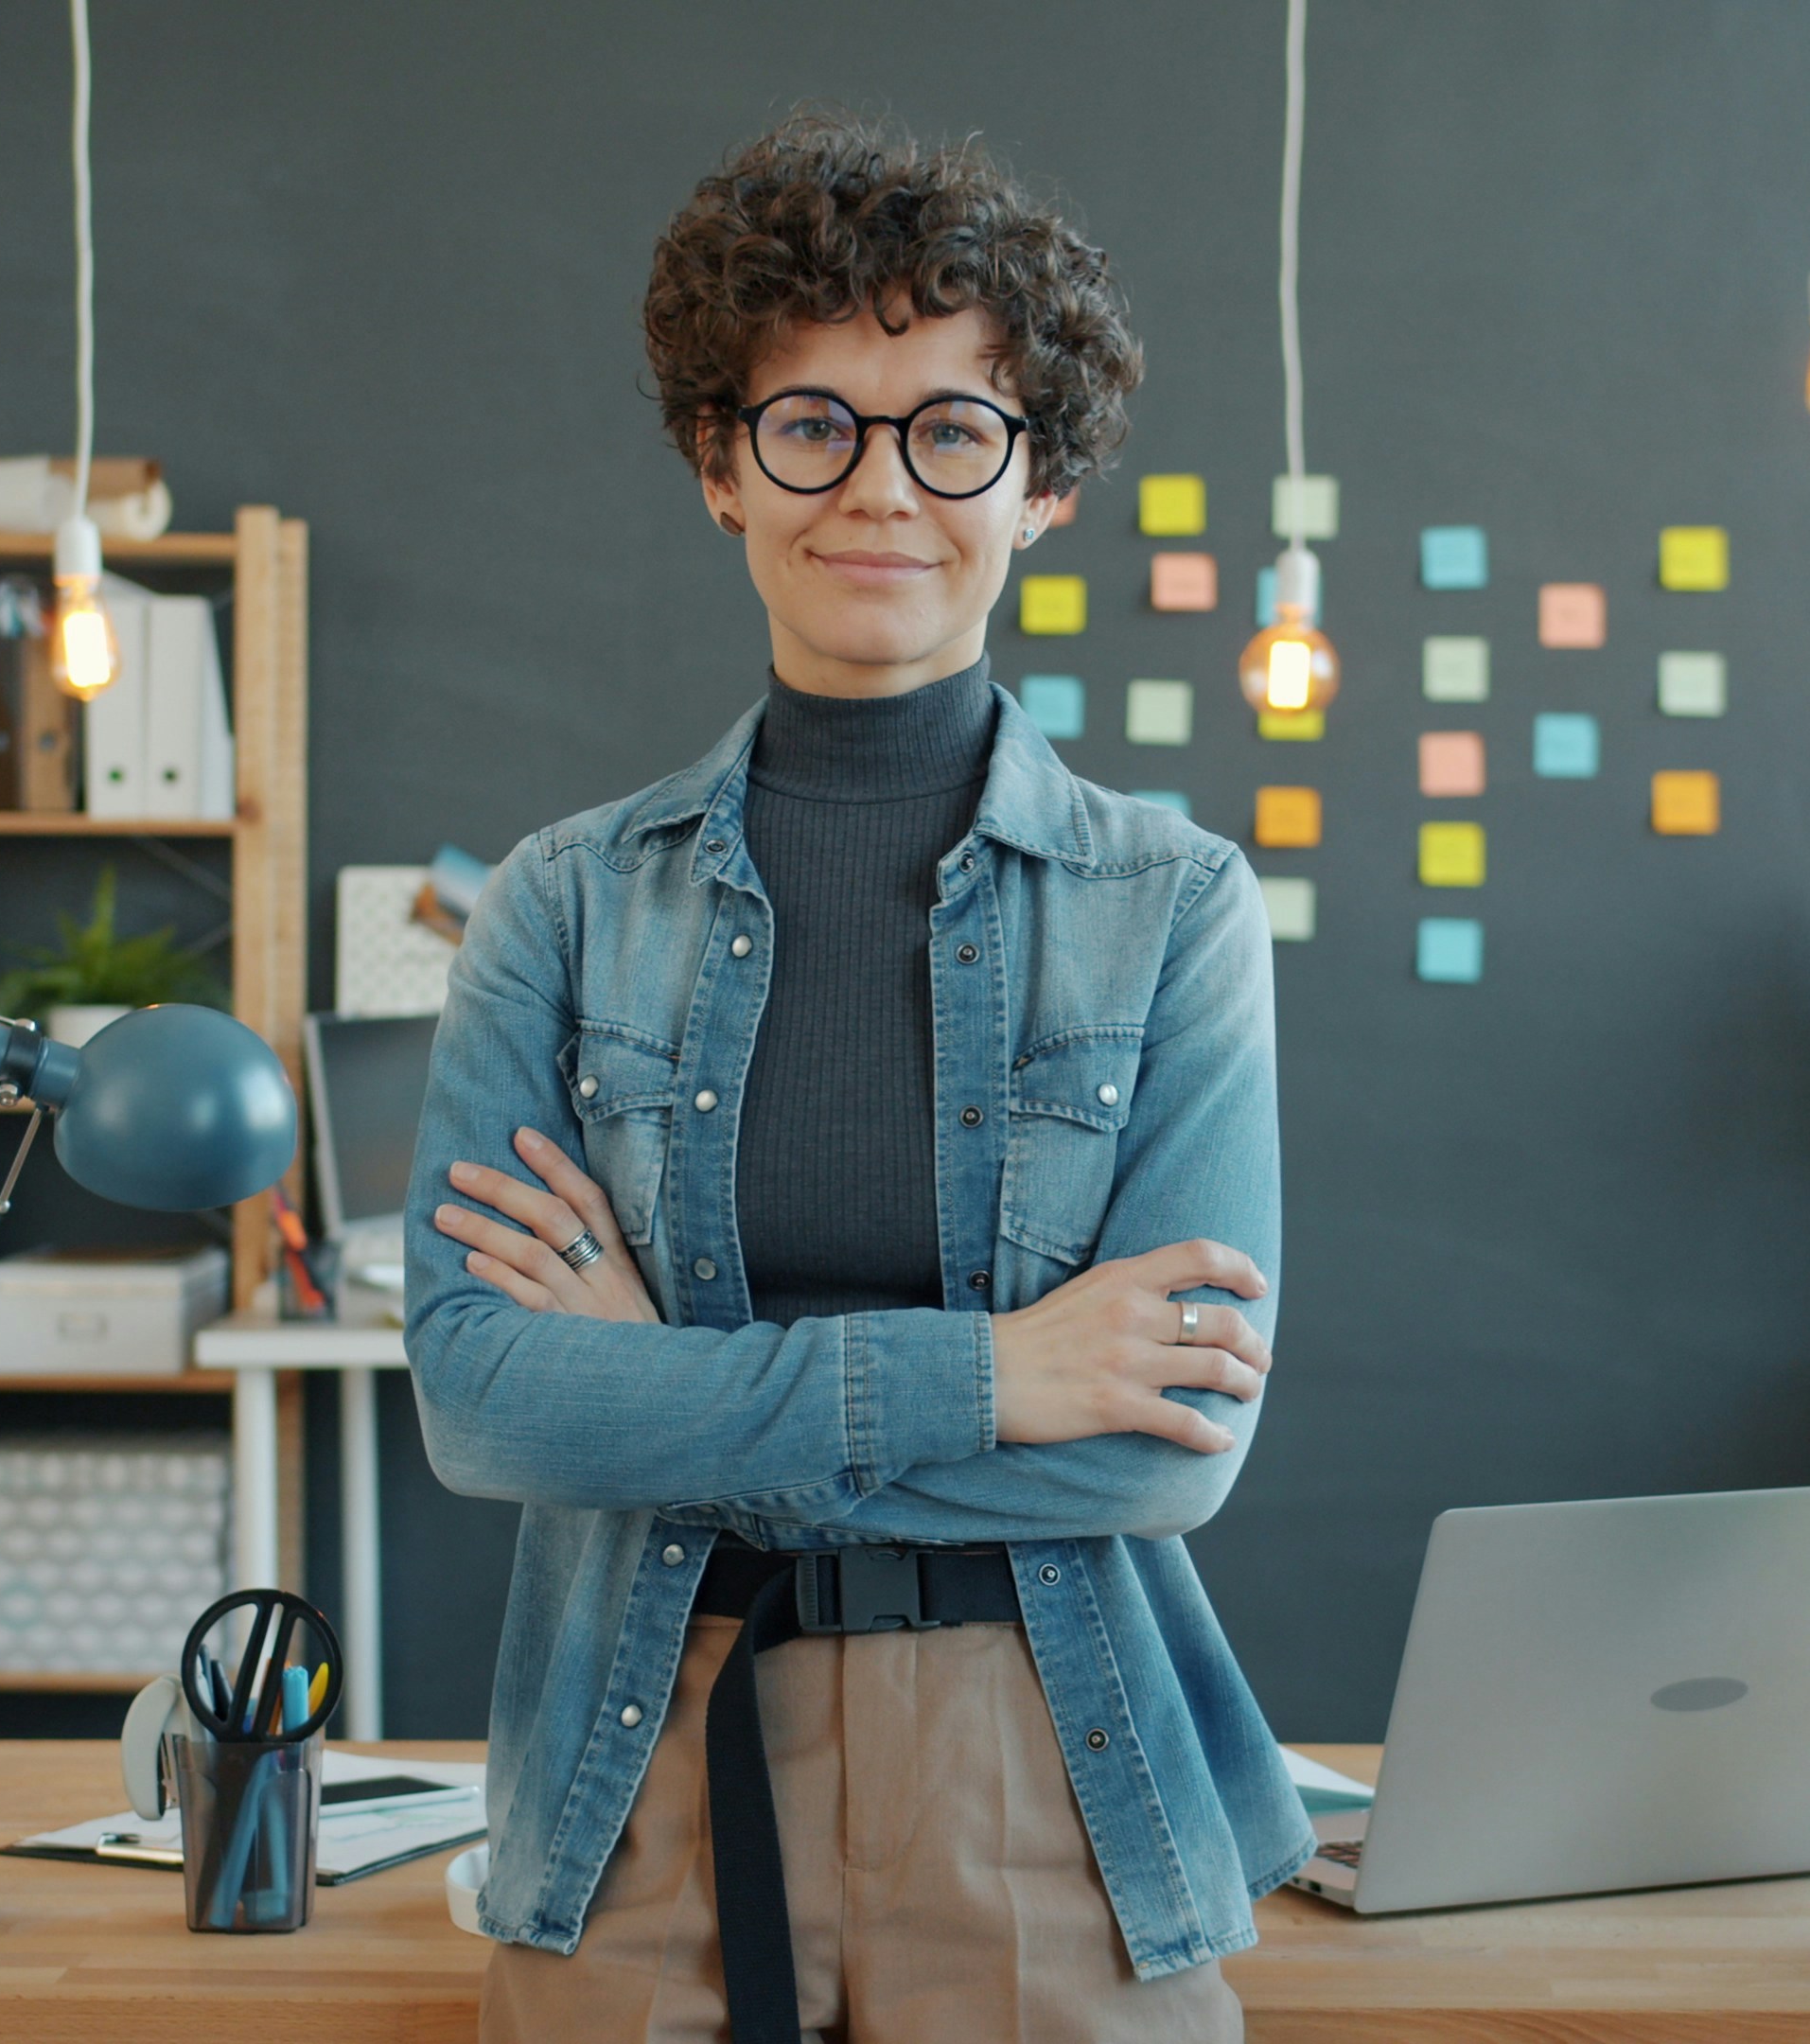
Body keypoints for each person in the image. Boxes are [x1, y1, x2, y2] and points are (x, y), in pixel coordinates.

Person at [405, 112, 1302, 2044]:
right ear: (723, 467)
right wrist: (996, 1372)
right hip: (638, 1763)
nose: (878, 490)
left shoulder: (1175, 910)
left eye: (950, 431)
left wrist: (659, 1392)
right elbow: (485, 1407)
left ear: (1040, 483)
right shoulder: (558, 906)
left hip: (1043, 1766)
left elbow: (1163, 1450)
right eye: (814, 424)